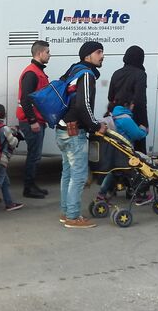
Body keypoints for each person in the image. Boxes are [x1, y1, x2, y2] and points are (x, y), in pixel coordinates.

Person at [57, 41, 107, 229]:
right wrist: (95, 126)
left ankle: (65, 211)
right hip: (74, 132)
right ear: (88, 56)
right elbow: (83, 104)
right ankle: (73, 216)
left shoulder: (72, 72)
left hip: (62, 130)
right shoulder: (86, 74)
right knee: (78, 175)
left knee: (67, 173)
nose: (102, 56)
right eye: (99, 52)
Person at [17, 40, 51, 199]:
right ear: (39, 53)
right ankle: (28, 188)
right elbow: (25, 99)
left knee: (35, 156)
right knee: (33, 156)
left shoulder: (37, 72)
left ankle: (31, 185)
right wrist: (32, 121)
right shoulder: (32, 73)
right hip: (32, 122)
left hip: (37, 120)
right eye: (47, 52)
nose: (49, 55)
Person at [96, 100, 147, 201]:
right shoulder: (125, 119)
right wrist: (144, 130)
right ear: (126, 105)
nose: (133, 106)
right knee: (134, 169)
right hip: (123, 152)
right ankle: (138, 193)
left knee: (115, 172)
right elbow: (137, 135)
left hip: (113, 152)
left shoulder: (110, 117)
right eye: (132, 104)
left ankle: (103, 193)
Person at [108, 45, 148, 153]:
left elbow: (110, 97)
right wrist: (144, 123)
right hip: (135, 117)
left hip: (117, 115)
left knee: (120, 147)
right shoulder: (140, 74)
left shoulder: (116, 73)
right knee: (138, 151)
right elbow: (140, 100)